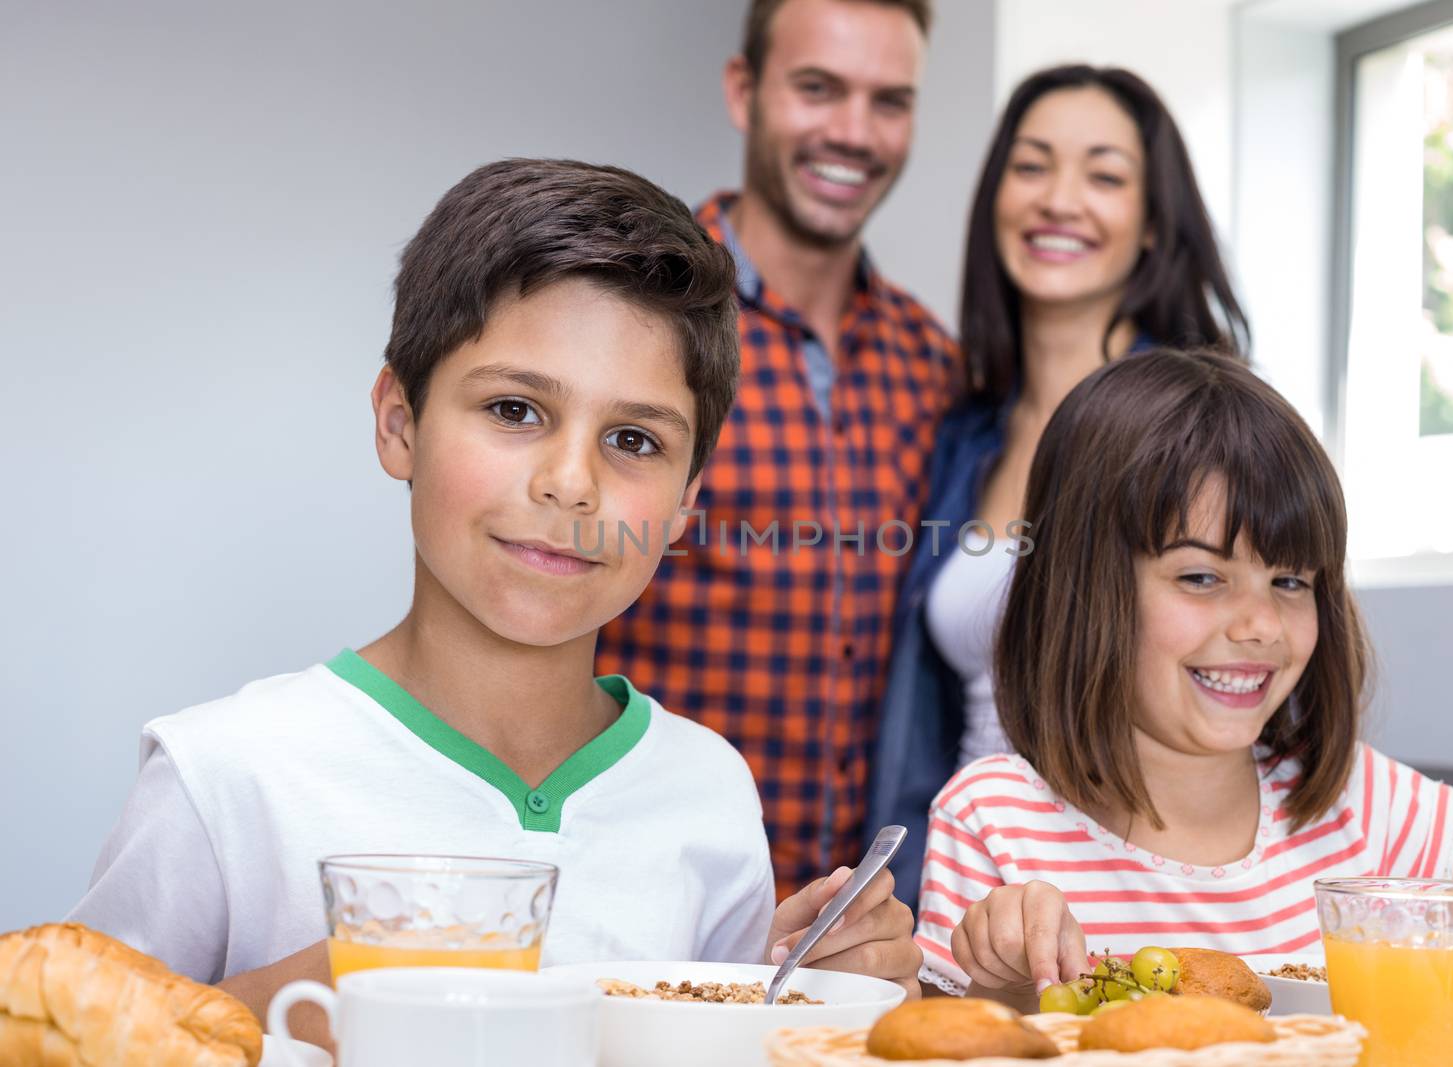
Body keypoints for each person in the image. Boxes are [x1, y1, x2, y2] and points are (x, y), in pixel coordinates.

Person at [68, 159, 921, 1040]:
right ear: (399, 422)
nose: (570, 483)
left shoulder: (707, 792)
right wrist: (286, 1002)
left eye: (633, 438)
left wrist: (789, 1000)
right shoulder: (225, 777)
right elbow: (58, 1044)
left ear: (686, 503)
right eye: (515, 410)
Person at [911, 349, 1453, 1036]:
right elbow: (954, 1036)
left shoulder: (1370, 813)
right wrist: (1003, 980)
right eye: (1201, 578)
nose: (1261, 624)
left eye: (1292, 580)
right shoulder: (994, 822)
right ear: (1082, 587)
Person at [596, 0, 962, 900]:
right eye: (817, 88)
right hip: (650, 893)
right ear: (743, 90)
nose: (853, 131)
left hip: (856, 928)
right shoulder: (633, 312)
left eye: (889, 101)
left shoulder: (935, 362)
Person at [868, 64, 1249, 904]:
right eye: (1032, 165)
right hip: (964, 891)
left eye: (1105, 175)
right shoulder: (967, 434)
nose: (1059, 199)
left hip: (1134, 893)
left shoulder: (1202, 428)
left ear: (1153, 222)